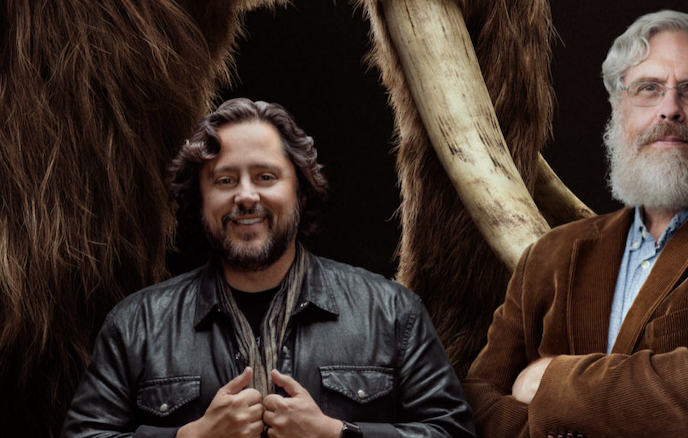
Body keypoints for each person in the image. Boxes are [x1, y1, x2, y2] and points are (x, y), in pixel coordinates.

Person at [463, 10, 688, 438]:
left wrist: (552, 380)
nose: (669, 110)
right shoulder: (548, 255)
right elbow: (477, 405)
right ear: (617, 107)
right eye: (648, 89)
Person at [62, 98, 476, 438]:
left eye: (265, 176)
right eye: (224, 180)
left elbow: (453, 433)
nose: (245, 196)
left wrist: (337, 435)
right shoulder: (136, 324)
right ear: (200, 199)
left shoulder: (392, 313)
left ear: (300, 191)